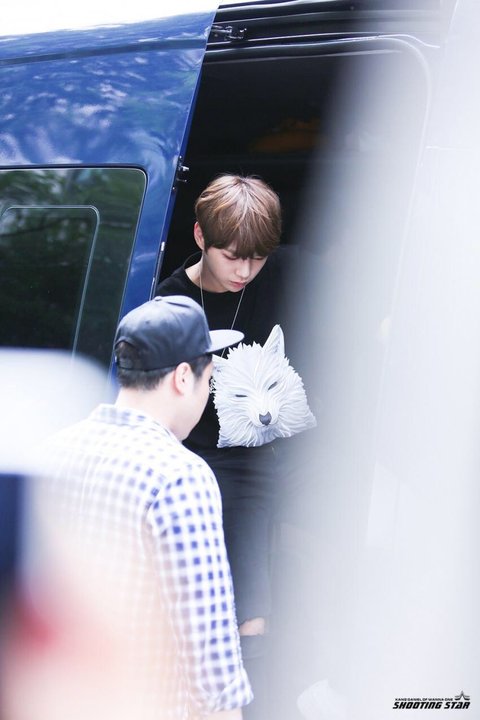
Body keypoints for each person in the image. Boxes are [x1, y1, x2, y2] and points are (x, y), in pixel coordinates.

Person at [38, 295, 252, 720]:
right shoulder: (179, 475)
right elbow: (211, 660)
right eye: (208, 380)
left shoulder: (50, 452)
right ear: (183, 377)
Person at [156, 174, 306, 719]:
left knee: (255, 606)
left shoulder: (279, 277)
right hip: (191, 456)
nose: (245, 271)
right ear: (201, 237)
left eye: (257, 259)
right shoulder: (172, 301)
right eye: (232, 257)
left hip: (257, 455)